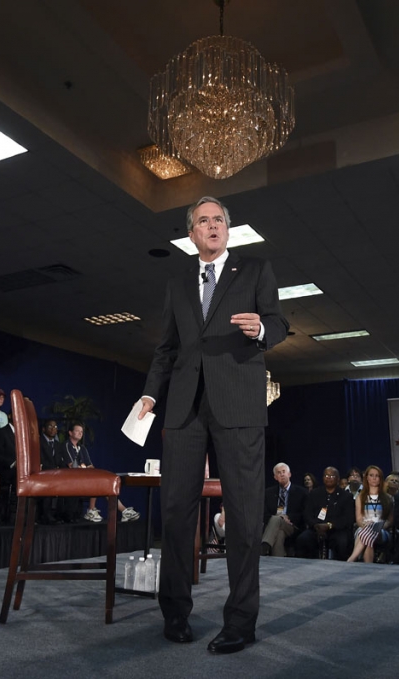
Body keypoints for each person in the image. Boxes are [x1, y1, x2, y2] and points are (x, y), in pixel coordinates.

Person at [136, 196, 289, 654]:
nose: (212, 225)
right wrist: (148, 393)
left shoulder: (256, 269)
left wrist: (261, 329)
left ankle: (241, 621)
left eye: (218, 219)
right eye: (203, 221)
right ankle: (175, 613)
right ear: (192, 234)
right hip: (184, 409)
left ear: (228, 228)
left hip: (238, 405)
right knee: (177, 512)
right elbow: (166, 348)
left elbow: (280, 324)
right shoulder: (178, 283)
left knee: (243, 518)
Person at [69, 423, 139, 524]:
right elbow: (72, 466)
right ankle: (92, 510)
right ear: (70, 433)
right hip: (72, 480)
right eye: (77, 431)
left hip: (85, 477)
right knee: (96, 479)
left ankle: (123, 511)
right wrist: (83, 467)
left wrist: (84, 467)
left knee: (104, 483)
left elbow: (91, 466)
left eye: (81, 432)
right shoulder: (66, 446)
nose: (80, 433)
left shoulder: (82, 448)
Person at [296, 467, 355, 561]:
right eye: (326, 475)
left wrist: (329, 525)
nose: (329, 478)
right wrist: (316, 525)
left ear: (338, 479)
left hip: (337, 530)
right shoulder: (314, 494)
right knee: (302, 539)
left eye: (332, 476)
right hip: (316, 528)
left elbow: (348, 518)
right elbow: (307, 514)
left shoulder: (346, 496)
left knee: (342, 542)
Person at [347, 465, 392, 564]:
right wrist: (365, 525)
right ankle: (368, 566)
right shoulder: (360, 497)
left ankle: (351, 559)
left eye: (377, 476)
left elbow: (389, 521)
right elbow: (358, 519)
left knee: (369, 531)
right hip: (363, 526)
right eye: (371, 475)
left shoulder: (388, 498)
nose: (374, 478)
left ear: (380, 478)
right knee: (367, 536)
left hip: (382, 529)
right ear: (366, 478)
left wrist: (378, 526)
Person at [261, 462, 306, 557]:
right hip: (274, 525)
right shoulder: (268, 493)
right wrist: (279, 517)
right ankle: (278, 563)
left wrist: (288, 517)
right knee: (279, 533)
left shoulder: (301, 492)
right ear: (275, 477)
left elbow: (304, 513)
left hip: (292, 525)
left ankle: (264, 546)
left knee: (277, 519)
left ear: (289, 474)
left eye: (284, 471)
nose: (282, 474)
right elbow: (264, 514)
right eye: (278, 472)